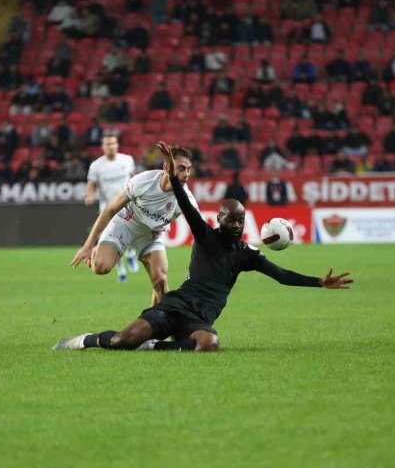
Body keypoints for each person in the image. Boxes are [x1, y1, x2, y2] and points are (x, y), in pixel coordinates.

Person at [54, 142, 354, 352]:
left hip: (198, 317)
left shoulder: (248, 255)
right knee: (120, 340)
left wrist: (318, 282)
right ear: (218, 219)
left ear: (244, 222)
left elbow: (281, 274)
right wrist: (171, 172)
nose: (235, 225)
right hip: (171, 296)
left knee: (209, 344)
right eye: (228, 219)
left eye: (240, 221)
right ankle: (84, 341)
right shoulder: (204, 233)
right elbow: (181, 198)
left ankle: (153, 344)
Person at [71, 145, 197, 306]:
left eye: (188, 169)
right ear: (166, 167)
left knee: (161, 280)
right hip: (126, 224)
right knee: (101, 268)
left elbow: (200, 230)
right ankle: (98, 251)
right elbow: (110, 210)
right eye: (180, 168)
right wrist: (88, 245)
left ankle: (152, 325)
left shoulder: (187, 199)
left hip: (151, 235)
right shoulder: (142, 181)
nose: (186, 174)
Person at [84, 134, 139, 283]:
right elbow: (91, 183)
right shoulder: (96, 165)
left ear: (117, 145)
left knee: (130, 232)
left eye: (113, 143)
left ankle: (130, 255)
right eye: (107, 144)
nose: (111, 146)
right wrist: (90, 195)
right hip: (107, 208)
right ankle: (120, 268)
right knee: (111, 239)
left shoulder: (127, 160)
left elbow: (134, 178)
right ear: (103, 147)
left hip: (127, 204)